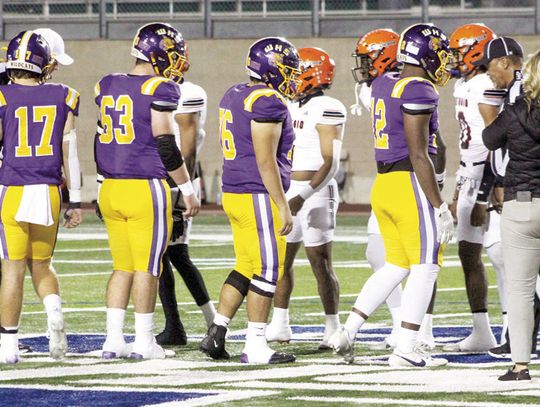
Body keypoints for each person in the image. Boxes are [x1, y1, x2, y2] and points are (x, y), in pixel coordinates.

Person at [329, 23, 453, 368]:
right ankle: (407, 348)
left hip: (384, 186)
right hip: (409, 183)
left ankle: (348, 331)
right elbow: (419, 153)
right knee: (426, 265)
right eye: (440, 53)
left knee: (396, 265)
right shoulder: (419, 89)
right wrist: (440, 205)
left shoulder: (383, 83)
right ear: (425, 54)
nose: (444, 61)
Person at [95, 22, 199, 360]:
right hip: (144, 188)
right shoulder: (161, 87)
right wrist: (187, 187)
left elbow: (99, 138)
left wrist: (98, 184)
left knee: (122, 265)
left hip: (110, 186)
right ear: (158, 54)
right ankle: (143, 342)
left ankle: (113, 341)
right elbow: (166, 143)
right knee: (148, 266)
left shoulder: (108, 84)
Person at [199, 37, 299, 364]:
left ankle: (217, 333)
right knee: (269, 269)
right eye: (287, 70)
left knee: (246, 266)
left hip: (235, 192)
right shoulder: (267, 101)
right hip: (258, 194)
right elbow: (266, 160)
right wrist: (283, 203)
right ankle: (256, 344)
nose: (292, 76)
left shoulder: (235, 93)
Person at [0, 30, 82, 364]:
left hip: (13, 189)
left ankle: (7, 346)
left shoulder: (3, 97)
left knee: (13, 269)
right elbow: (71, 153)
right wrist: (76, 199)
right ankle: (55, 318)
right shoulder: (65, 95)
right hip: (48, 190)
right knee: (43, 264)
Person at [265, 47, 346, 349]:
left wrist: (304, 195)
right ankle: (280, 324)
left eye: (297, 72)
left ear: (313, 73)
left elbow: (331, 162)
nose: (291, 78)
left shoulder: (328, 106)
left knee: (319, 261)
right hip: (288, 189)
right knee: (280, 260)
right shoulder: (289, 104)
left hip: (318, 192)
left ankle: (332, 327)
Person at [442, 23, 507, 353]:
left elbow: (498, 141)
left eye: (458, 52)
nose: (452, 59)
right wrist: (457, 191)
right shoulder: (465, 85)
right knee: (469, 255)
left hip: (491, 178)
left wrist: (488, 190)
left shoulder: (486, 84)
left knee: (501, 255)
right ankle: (482, 331)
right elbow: (467, 146)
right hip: (469, 175)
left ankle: (513, 328)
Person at [482, 48, 540, 382]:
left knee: (519, 290)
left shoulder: (517, 110)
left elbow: (490, 139)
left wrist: (508, 109)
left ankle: (520, 365)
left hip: (522, 205)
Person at [157, 78, 216, 345]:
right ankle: (181, 325)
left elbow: (188, 151)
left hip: (177, 184)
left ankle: (206, 322)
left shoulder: (189, 93)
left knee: (175, 256)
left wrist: (181, 196)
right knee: (166, 256)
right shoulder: (155, 88)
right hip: (162, 182)